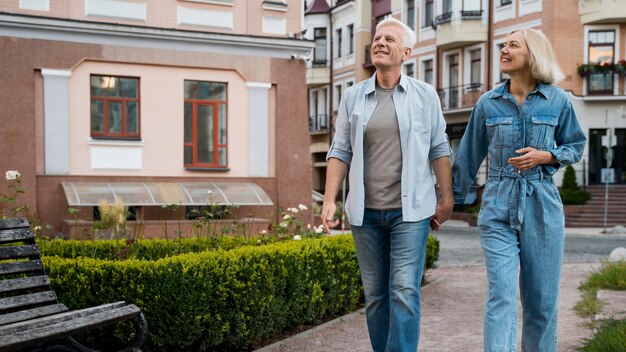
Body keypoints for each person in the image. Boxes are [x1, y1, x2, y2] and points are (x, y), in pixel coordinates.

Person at [321, 17, 453, 352]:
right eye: (377, 38)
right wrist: (329, 200)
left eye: (389, 39)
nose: (380, 42)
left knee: (405, 292)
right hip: (365, 214)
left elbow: (439, 147)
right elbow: (340, 150)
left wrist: (447, 197)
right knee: (376, 295)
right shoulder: (353, 97)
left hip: (410, 213)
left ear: (407, 51)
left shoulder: (424, 96)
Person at [452, 28, 586, 351]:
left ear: (533, 53)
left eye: (513, 45)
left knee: (541, 303)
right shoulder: (488, 104)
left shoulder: (557, 100)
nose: (504, 50)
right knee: (501, 295)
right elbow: (468, 157)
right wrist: (447, 202)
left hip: (542, 204)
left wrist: (548, 156)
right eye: (503, 45)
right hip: (498, 204)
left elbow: (576, 145)